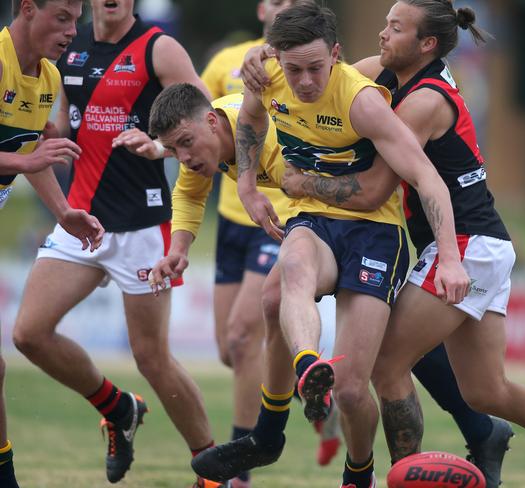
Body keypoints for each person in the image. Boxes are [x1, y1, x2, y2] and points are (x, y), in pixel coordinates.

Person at [294, 2, 525, 487]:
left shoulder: (422, 102)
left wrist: (302, 182)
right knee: (486, 392)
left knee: (388, 363)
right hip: (481, 244)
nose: (382, 35)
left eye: (396, 28)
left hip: (464, 247)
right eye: (386, 24)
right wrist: (271, 68)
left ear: (427, 44)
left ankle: (401, 477)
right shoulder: (397, 73)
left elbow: (374, 189)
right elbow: (330, 81)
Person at [191, 3, 470, 487]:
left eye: (315, 69)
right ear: (277, 59)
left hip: (376, 234)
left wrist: (449, 258)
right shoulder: (268, 77)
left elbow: (426, 177)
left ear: (336, 55)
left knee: (353, 390)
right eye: (293, 69)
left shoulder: (361, 100)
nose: (303, 82)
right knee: (287, 279)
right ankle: (304, 369)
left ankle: (357, 467)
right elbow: (251, 121)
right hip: (314, 221)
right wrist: (248, 186)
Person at [10, 1, 223, 487]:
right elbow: (66, 122)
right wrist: (42, 138)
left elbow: (208, 122)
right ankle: (118, 408)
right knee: (28, 334)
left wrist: (161, 145)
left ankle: (213, 472)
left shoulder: (158, 48)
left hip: (143, 225)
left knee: (152, 358)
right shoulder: (69, 44)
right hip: (82, 219)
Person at [201, 0, 340, 481]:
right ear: (263, 8)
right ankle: (323, 407)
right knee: (229, 347)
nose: (282, 9)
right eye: (277, 2)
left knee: (245, 335)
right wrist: (156, 144)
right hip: (231, 218)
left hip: (280, 213)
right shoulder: (228, 64)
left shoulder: (311, 67)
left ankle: (243, 462)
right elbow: (195, 123)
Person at [1, 2, 106, 487]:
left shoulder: (47, 78)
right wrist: (24, 162)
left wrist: (64, 212)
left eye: (75, 20)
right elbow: (29, 157)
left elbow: (35, 153)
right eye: (61, 17)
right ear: (27, 9)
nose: (71, 31)